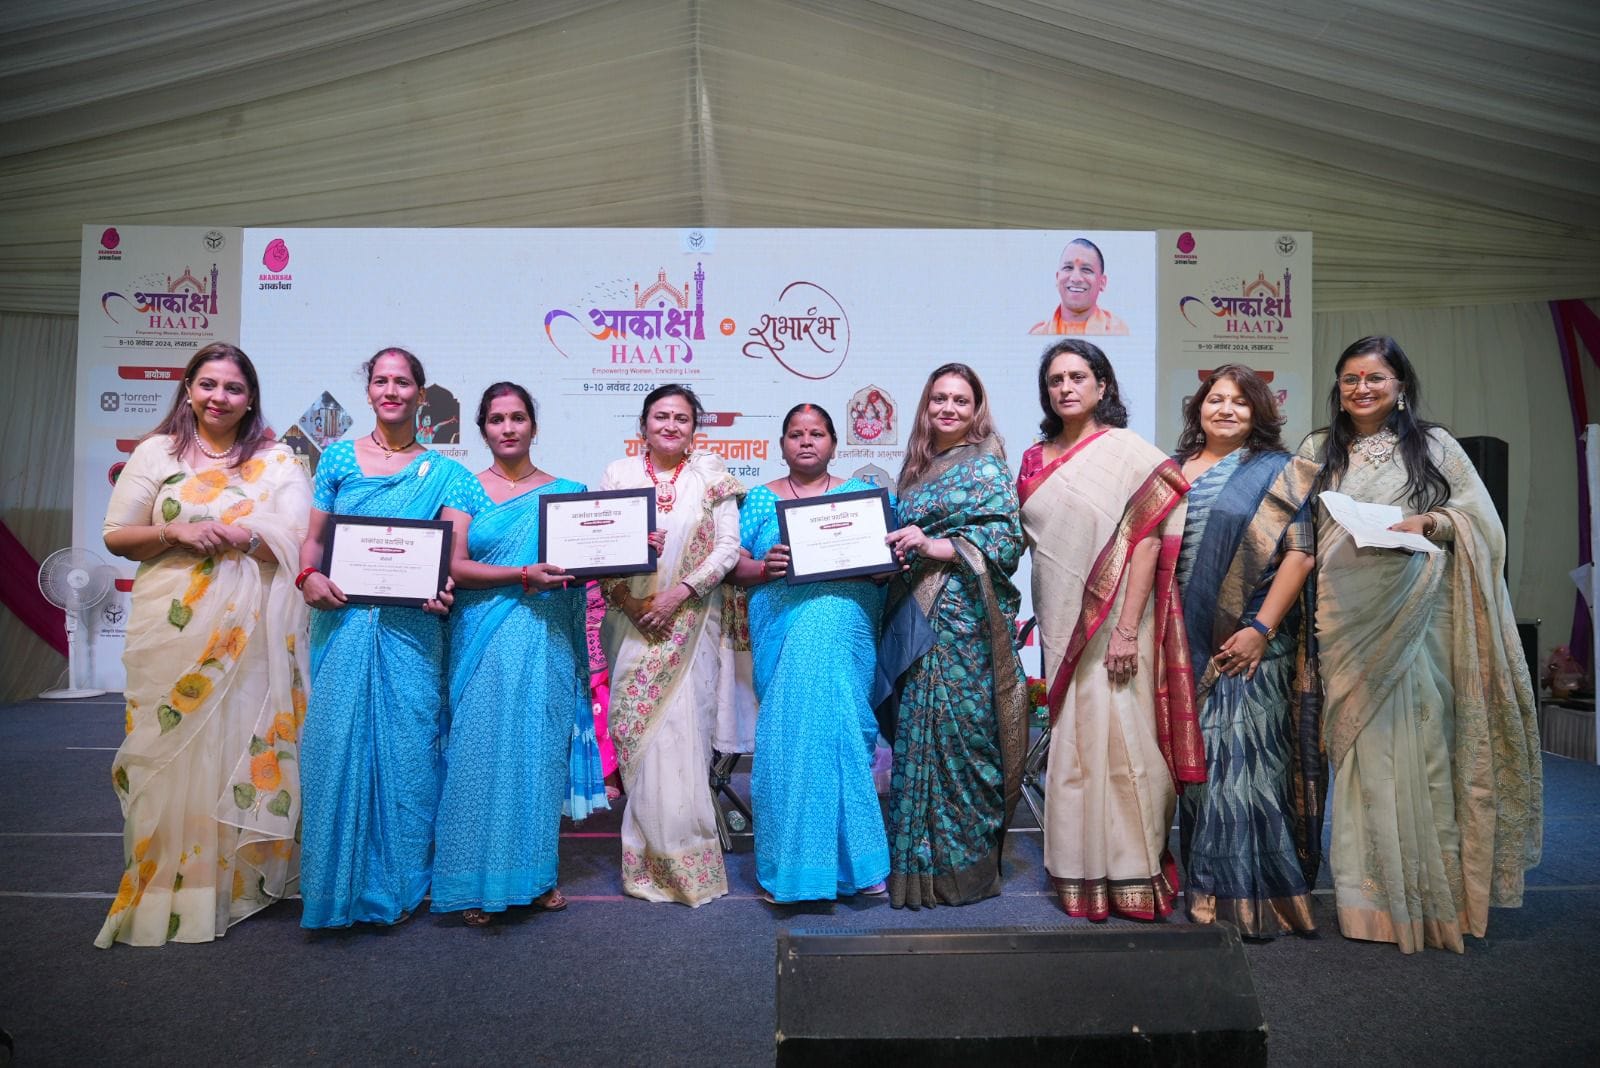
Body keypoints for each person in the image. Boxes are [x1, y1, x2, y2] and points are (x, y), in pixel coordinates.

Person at [1299, 336, 1542, 953]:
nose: (1362, 388)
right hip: (1342, 619)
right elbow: (1291, 528)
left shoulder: (1436, 448)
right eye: (1350, 378)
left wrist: (1433, 521)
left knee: (1421, 744)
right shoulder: (1317, 449)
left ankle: (1429, 902)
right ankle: (1367, 906)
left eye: (1375, 378)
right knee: (1356, 756)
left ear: (1400, 384)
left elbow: (1483, 524)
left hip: (1415, 618)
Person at [96, 342, 310, 947]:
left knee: (240, 745)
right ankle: (172, 885)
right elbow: (117, 535)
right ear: (188, 388)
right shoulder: (155, 452)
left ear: (250, 399)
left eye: (233, 388)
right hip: (172, 625)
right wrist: (175, 530)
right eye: (209, 384)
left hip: (252, 638)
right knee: (169, 751)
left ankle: (241, 882)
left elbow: (299, 541)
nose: (220, 397)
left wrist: (246, 534)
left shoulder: (277, 462)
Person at [1018, 339, 1199, 921]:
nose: (1066, 387)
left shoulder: (1126, 452)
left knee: (1124, 740)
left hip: (1117, 618)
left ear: (1102, 385)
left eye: (1077, 376)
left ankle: (1131, 872)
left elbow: (1146, 541)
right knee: (1072, 744)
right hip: (1060, 619)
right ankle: (1079, 870)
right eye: (1055, 380)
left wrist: (1125, 630)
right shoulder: (1032, 459)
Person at [296, 347, 476, 928]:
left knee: (408, 753)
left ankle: (397, 885)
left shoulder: (448, 472)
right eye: (381, 381)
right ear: (368, 390)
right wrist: (307, 576)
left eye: (403, 382)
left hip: (412, 630)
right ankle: (333, 888)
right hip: (342, 622)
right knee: (334, 749)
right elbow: (314, 541)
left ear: (421, 395)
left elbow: (452, 557)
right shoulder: (336, 460)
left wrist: (442, 585)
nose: (391, 391)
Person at [433, 382, 607, 927]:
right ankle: (469, 885)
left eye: (517, 418)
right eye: (496, 420)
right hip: (483, 639)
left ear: (534, 424)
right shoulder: (462, 487)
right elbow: (454, 565)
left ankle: (534, 878)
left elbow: (587, 560)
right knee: (478, 756)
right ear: (482, 428)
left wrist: (628, 550)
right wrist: (520, 575)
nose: (507, 429)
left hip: (546, 640)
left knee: (537, 757)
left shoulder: (567, 491)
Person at [1172, 364, 1323, 937]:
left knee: (1251, 766)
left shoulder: (1280, 472)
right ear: (1198, 407)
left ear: (1259, 411)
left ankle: (1260, 895)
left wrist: (1259, 627)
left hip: (1251, 641)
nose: (1226, 409)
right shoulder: (1175, 471)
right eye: (1215, 399)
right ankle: (1206, 885)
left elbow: (1300, 556)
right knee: (1202, 770)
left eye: (1239, 401)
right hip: (1184, 642)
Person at [728, 403, 891, 903]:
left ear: (833, 444)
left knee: (839, 734)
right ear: (781, 445)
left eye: (816, 433)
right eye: (795, 434)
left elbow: (887, 569)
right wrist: (763, 567)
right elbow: (735, 567)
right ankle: (797, 869)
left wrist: (882, 561)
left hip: (844, 628)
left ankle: (856, 866)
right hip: (784, 629)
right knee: (791, 740)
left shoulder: (860, 497)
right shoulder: (758, 500)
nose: (806, 441)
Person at [879, 363, 1028, 909]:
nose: (948, 409)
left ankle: (963, 870)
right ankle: (918, 870)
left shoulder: (987, 466)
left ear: (976, 409)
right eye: (939, 399)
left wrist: (935, 546)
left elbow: (1005, 542)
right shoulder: (916, 469)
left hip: (960, 621)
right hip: (914, 617)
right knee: (919, 734)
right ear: (925, 407)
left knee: (963, 738)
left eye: (960, 401)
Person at [598, 384, 744, 906]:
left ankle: (688, 863)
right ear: (643, 425)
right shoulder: (619, 475)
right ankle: (645, 863)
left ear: (693, 428)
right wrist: (634, 600)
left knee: (684, 731)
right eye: (660, 416)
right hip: (631, 621)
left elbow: (729, 549)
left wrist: (678, 594)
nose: (670, 426)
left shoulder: (712, 475)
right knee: (639, 733)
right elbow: (599, 547)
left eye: (681, 418)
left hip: (690, 623)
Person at [1029, 238, 1129, 336]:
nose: (1075, 278)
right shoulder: (1039, 333)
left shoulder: (1117, 331)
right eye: (1068, 268)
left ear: (1102, 282)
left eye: (1086, 269)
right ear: (1057, 278)